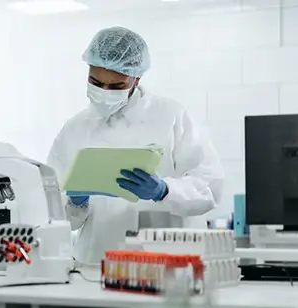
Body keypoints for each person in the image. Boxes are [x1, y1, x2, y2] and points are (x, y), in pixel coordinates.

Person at [47, 26, 224, 265]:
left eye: (116, 86)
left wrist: (164, 191)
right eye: (95, 82)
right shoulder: (74, 129)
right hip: (96, 263)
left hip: (168, 261)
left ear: (136, 78)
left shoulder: (171, 116)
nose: (104, 92)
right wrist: (74, 202)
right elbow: (52, 214)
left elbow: (210, 187)